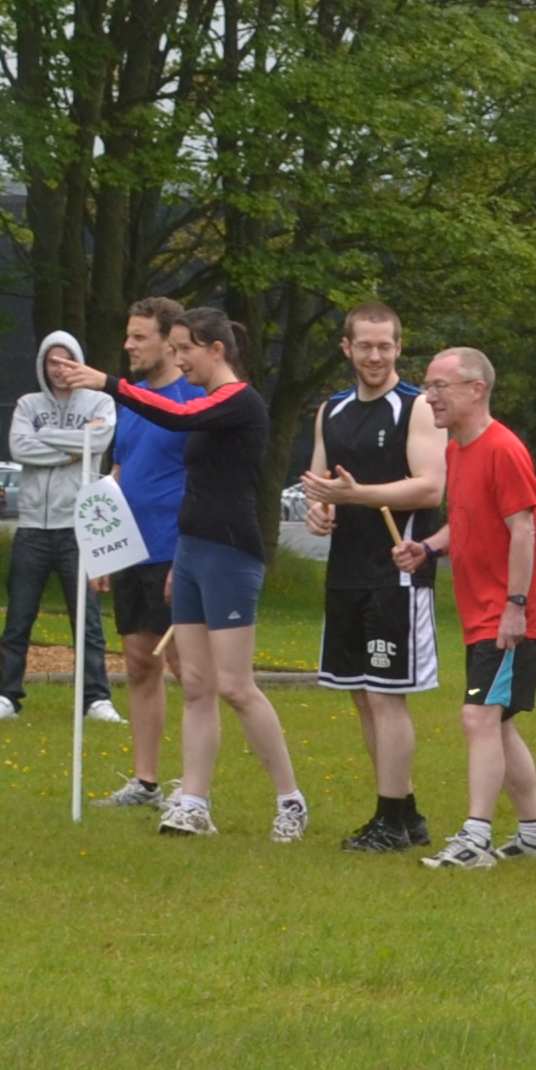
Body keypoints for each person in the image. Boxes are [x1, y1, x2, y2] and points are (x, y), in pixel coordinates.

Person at [108, 308, 309, 842]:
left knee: (235, 686)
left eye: (185, 350)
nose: (178, 360)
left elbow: (175, 418)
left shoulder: (238, 401)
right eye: (173, 349)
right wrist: (181, 561)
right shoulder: (207, 404)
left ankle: (290, 800)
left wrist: (107, 384)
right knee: (196, 684)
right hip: (193, 552)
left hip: (230, 553)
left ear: (216, 350)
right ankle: (193, 804)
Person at [292, 301, 452, 852]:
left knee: (386, 696)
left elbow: (430, 486)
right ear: (347, 348)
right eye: (365, 345)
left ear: (399, 348)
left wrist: (357, 495)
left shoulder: (417, 407)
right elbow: (319, 483)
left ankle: (389, 820)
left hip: (396, 572)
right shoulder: (331, 410)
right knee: (362, 694)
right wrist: (320, 510)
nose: (376, 356)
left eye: (385, 346)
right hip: (346, 571)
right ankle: (405, 814)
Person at [407, 345, 536, 870]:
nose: (429, 397)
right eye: (427, 386)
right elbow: (468, 522)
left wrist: (515, 607)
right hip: (482, 616)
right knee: (498, 724)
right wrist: (427, 548)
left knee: (478, 718)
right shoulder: (457, 451)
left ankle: (475, 839)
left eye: (439, 386)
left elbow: (523, 530)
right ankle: (535, 837)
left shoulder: (504, 449)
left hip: (507, 617)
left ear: (476, 390)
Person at [94, 297, 206, 810]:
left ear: (168, 341)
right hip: (130, 552)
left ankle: (193, 787)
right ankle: (145, 782)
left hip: (173, 551)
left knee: (189, 670)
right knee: (140, 664)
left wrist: (186, 555)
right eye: (128, 335)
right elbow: (119, 473)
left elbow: (203, 481)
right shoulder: (132, 401)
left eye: (140, 337)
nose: (129, 346)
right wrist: (103, 551)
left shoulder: (193, 400)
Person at [0, 331, 114, 723]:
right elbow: (20, 447)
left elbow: (99, 440)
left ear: (78, 362)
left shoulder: (101, 401)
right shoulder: (28, 404)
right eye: (52, 361)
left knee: (87, 619)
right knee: (18, 616)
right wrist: (73, 448)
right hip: (32, 528)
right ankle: (6, 696)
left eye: (66, 360)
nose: (59, 369)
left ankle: (96, 698)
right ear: (42, 364)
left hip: (79, 526)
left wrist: (49, 440)